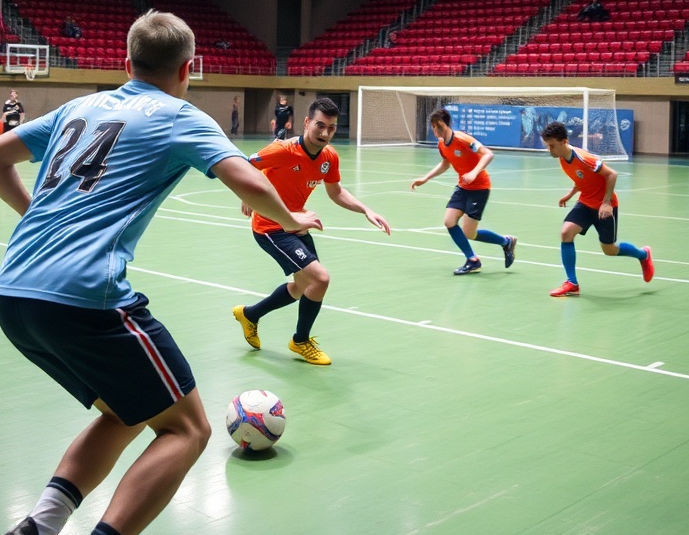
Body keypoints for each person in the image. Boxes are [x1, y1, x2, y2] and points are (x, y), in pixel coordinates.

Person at [0, 10, 319, 535]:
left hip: (12, 295)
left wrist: (37, 219)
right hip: (84, 296)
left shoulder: (78, 106)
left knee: (127, 411)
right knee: (187, 429)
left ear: (127, 61)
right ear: (189, 70)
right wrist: (291, 219)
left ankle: (38, 527)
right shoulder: (179, 115)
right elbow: (246, 180)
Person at [232, 97, 391, 366]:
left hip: (296, 224)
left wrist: (366, 210)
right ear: (306, 123)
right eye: (320, 125)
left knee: (303, 286)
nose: (325, 133)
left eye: (331, 128)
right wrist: (249, 195)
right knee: (321, 279)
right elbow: (243, 165)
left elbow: (336, 192)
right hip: (270, 226)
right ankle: (301, 341)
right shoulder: (283, 150)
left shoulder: (329, 157)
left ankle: (250, 314)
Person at [540, 121, 653, 297]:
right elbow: (582, 179)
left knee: (610, 249)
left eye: (552, 146)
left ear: (564, 141)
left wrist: (606, 202)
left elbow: (611, 174)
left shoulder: (584, 158)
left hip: (604, 207)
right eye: (548, 146)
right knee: (566, 233)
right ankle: (572, 283)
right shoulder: (562, 158)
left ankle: (643, 255)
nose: (550, 150)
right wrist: (570, 195)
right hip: (585, 203)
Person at [410, 108, 516, 275]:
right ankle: (472, 260)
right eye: (433, 126)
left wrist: (474, 173)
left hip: (479, 188)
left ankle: (506, 242)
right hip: (463, 187)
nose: (435, 130)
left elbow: (488, 154)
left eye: (438, 126)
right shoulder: (441, 143)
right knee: (449, 221)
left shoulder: (462, 139)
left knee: (469, 233)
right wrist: (425, 178)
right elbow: (445, 163)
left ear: (445, 125)